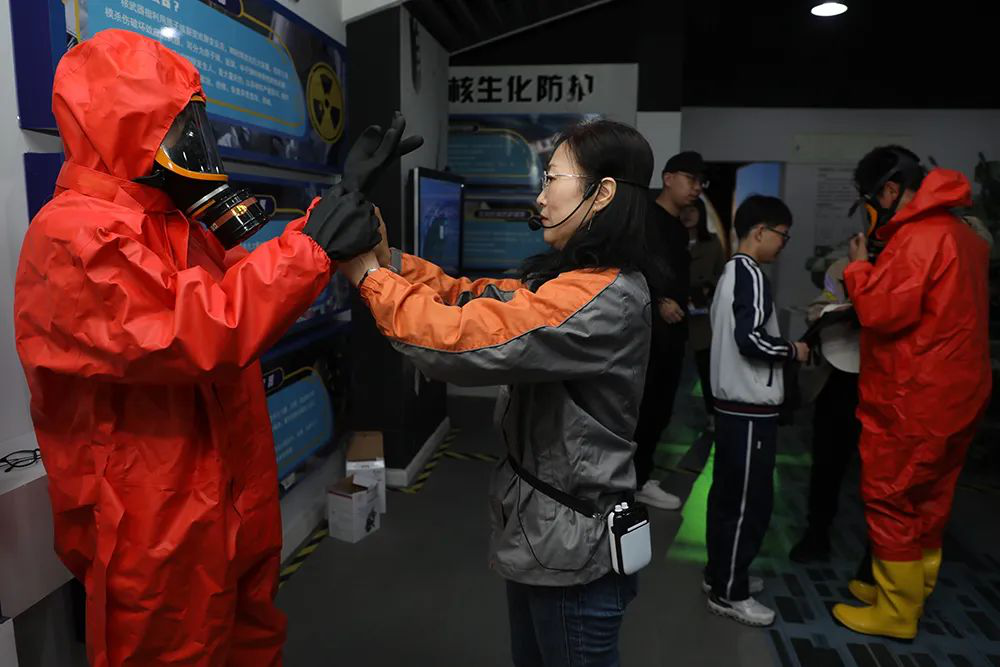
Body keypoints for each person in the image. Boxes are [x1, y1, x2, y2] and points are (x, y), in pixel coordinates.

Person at [12, 30, 417, 666]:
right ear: (126, 126)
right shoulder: (73, 238)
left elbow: (245, 288)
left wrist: (337, 205)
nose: (195, 144)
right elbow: (202, 330)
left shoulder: (171, 223)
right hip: (151, 527)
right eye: (180, 127)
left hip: (228, 495)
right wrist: (313, 246)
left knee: (252, 641)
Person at [336, 120, 665, 667]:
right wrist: (383, 255)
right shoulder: (571, 281)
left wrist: (369, 276)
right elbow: (467, 299)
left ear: (603, 192)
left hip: (572, 551)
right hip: (543, 534)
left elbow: (461, 342)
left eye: (553, 179)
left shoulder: (602, 298)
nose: (541, 196)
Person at [831, 146, 991, 640]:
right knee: (930, 499)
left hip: (915, 394)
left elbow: (881, 312)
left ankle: (896, 611)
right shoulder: (964, 236)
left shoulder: (919, 238)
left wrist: (858, 269)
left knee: (890, 495)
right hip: (958, 393)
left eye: (870, 201)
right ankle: (907, 592)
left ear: (889, 191)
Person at [704, 195, 809, 626]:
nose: (783, 243)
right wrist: (793, 350)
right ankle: (730, 592)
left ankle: (721, 574)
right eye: (783, 235)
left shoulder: (732, 272)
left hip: (734, 409)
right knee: (748, 504)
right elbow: (750, 340)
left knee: (727, 498)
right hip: (748, 409)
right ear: (761, 231)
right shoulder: (751, 274)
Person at [633, 151, 705, 510]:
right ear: (668, 178)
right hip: (647, 336)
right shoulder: (645, 220)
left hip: (673, 336)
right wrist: (659, 299)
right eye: (691, 180)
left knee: (660, 411)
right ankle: (630, 481)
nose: (697, 188)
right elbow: (631, 270)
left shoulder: (678, 227)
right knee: (642, 410)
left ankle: (639, 478)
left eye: (701, 183)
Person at [788, 257, 863, 563]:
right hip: (839, 376)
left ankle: (880, 555)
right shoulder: (842, 267)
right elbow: (821, 304)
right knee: (827, 461)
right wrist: (829, 312)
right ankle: (817, 533)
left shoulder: (910, 263)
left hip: (887, 379)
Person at [682, 197, 726, 430]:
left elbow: (721, 274)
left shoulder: (712, 243)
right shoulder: (672, 241)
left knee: (706, 367)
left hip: (701, 313)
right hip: (675, 310)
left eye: (693, 210)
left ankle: (713, 413)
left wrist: (708, 287)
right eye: (685, 210)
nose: (688, 215)